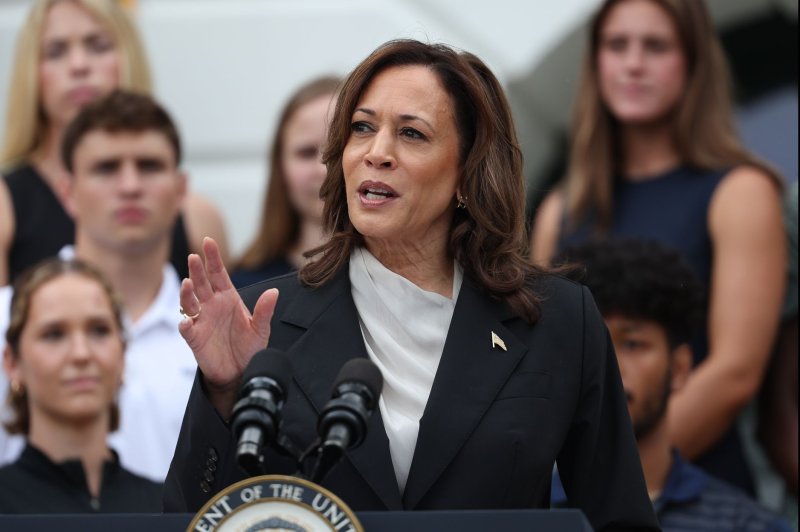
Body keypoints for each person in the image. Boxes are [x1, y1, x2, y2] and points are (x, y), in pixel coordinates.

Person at [163, 39, 659, 530]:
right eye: (362, 128)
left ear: (468, 173)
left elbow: (619, 520)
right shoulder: (265, 320)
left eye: (412, 134)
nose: (377, 153)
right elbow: (191, 519)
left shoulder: (560, 322)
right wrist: (225, 395)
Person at [530, 0, 786, 494]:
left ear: (692, 62)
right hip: (573, 500)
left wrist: (613, 480)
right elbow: (542, 367)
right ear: (596, 62)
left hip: (697, 498)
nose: (633, 63)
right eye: (616, 45)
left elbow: (735, 373)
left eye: (656, 46)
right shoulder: (559, 209)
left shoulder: (740, 192)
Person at [0, 90, 197, 483]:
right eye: (106, 168)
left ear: (180, 190)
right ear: (66, 191)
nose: (129, 185)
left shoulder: (214, 333)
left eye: (149, 166)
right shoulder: (5, 316)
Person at [550, 239, 792, 531]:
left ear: (679, 368)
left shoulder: (746, 526)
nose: (610, 365)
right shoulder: (528, 507)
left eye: (633, 344)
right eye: (592, 343)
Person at [0, 0, 229, 286]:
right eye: (56, 51)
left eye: (98, 46)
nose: (79, 65)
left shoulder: (197, 218)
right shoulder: (5, 207)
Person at [0, 258, 163, 513]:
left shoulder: (168, 508)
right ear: (13, 362)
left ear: (122, 354)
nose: (81, 354)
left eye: (99, 330)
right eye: (54, 334)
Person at [231, 76, 341, 288]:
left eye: (338, 149)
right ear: (280, 166)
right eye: (306, 153)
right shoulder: (245, 288)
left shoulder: (397, 280)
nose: (323, 169)